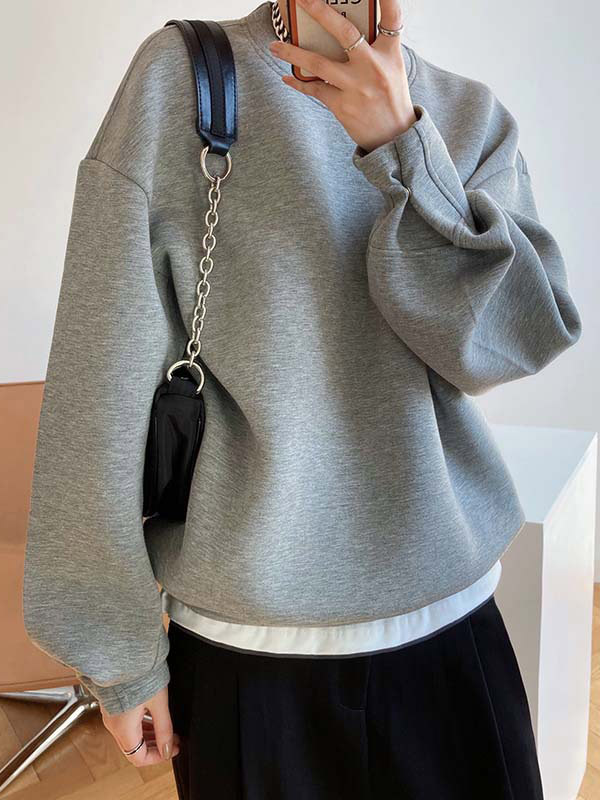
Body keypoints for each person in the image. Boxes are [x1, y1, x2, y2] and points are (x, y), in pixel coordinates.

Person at [23, 0, 582, 797]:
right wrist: (117, 654)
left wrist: (401, 148)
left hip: (448, 635)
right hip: (248, 660)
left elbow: (508, 343)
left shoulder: (465, 117)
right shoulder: (183, 84)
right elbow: (98, 382)